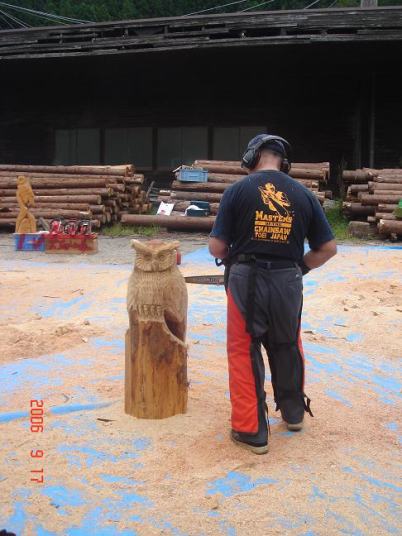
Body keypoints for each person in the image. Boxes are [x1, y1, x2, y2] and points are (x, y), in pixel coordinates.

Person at [208, 134, 337, 455]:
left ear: (252, 157)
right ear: (284, 162)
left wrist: (234, 255)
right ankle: (293, 414)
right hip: (287, 280)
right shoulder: (304, 195)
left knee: (243, 349)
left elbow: (217, 247)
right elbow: (328, 248)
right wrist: (299, 268)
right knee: (287, 344)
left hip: (246, 279)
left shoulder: (237, 191)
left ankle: (251, 430)